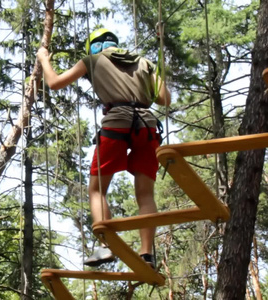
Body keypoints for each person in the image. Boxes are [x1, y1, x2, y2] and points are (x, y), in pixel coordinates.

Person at [36, 28, 171, 268]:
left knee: (97, 189)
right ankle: (147, 254)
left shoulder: (92, 59)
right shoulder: (145, 63)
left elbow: (55, 83)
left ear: (93, 46)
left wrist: (44, 59)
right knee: (146, 194)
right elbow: (164, 99)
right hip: (147, 127)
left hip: (115, 124)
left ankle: (105, 247)